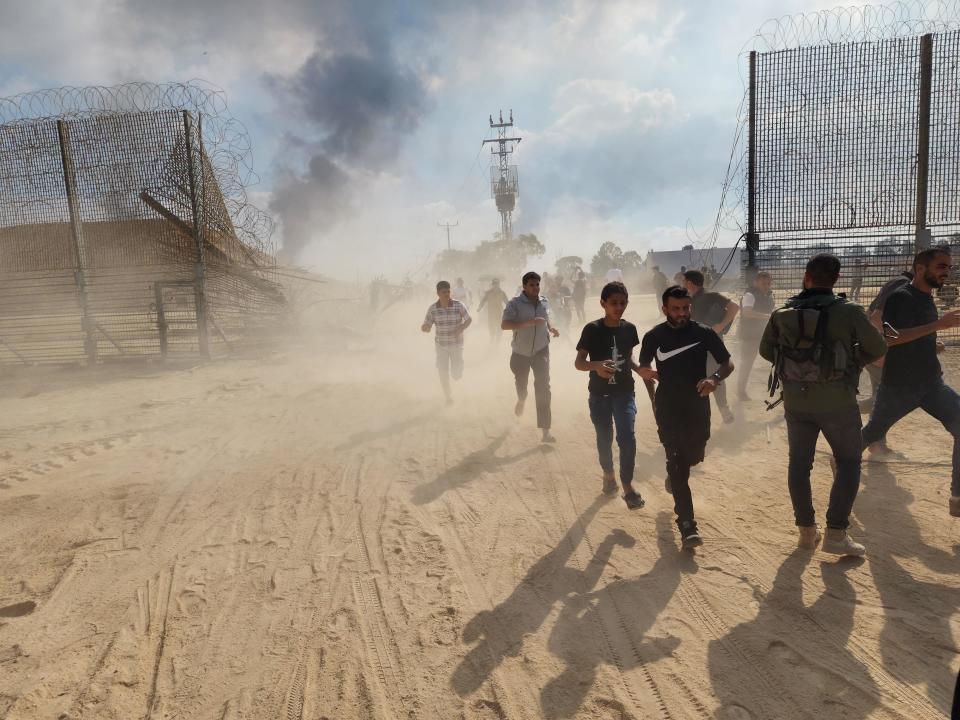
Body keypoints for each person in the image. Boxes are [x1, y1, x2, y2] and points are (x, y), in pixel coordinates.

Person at [759, 254, 886, 555]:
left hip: (795, 402)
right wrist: (850, 364)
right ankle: (836, 534)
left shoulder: (782, 312)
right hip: (837, 402)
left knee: (799, 465)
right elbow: (878, 348)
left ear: (807, 277)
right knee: (849, 462)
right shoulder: (850, 312)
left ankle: (806, 532)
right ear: (837, 279)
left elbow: (766, 351)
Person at [862, 247, 960, 517]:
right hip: (899, 386)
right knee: (871, 434)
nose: (946, 272)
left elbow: (913, 334)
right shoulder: (901, 297)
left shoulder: (927, 297)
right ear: (920, 269)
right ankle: (841, 459)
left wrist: (931, 342)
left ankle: (957, 497)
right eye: (941, 266)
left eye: (948, 267)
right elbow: (892, 337)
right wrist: (937, 327)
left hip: (931, 383)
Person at [637, 285, 734, 549]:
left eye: (686, 308)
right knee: (677, 462)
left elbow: (727, 363)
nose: (682, 313)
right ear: (665, 309)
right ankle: (687, 525)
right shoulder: (653, 336)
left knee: (693, 456)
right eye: (676, 309)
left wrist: (714, 379)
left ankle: (676, 474)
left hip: (698, 406)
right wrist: (653, 398)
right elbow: (645, 369)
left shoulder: (703, 333)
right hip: (668, 407)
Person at [575, 281, 644, 509]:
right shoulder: (592, 329)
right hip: (599, 396)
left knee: (627, 438)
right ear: (603, 303)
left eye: (623, 303)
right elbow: (579, 363)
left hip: (625, 392)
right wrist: (596, 366)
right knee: (604, 440)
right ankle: (608, 475)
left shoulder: (630, 329)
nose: (618, 307)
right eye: (613, 303)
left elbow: (629, 357)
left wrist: (639, 369)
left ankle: (627, 487)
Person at [502, 272, 560, 443]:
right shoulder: (514, 304)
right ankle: (521, 400)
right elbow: (504, 324)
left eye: (537, 284)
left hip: (541, 350)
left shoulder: (544, 301)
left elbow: (546, 318)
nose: (536, 288)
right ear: (524, 286)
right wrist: (527, 323)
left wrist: (551, 328)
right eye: (532, 285)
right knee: (522, 386)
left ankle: (545, 431)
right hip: (520, 352)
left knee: (543, 387)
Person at [683, 270, 739, 423]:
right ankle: (712, 412)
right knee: (710, 376)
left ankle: (723, 410)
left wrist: (721, 325)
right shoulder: (689, 299)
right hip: (696, 345)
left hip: (710, 345)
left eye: (684, 281)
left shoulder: (709, 296)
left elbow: (734, 307)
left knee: (716, 375)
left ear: (689, 283)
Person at [421, 280, 472, 404]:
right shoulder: (433, 309)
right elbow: (426, 324)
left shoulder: (459, 305)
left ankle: (457, 374)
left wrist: (460, 328)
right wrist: (425, 328)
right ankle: (448, 396)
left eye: (448, 291)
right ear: (438, 293)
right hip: (441, 346)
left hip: (457, 345)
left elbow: (468, 320)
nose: (447, 294)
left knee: (456, 374)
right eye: (444, 292)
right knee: (442, 372)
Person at [737, 271, 775, 400]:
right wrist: (769, 317)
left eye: (769, 283)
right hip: (750, 336)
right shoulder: (749, 295)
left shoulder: (769, 296)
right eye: (764, 283)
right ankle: (741, 391)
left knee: (777, 362)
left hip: (766, 335)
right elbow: (747, 313)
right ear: (755, 282)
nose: (767, 285)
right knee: (746, 364)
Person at [476, 279, 509, 344]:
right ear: (492, 285)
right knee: (491, 327)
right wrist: (479, 307)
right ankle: (492, 338)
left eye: (497, 284)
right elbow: (483, 300)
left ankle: (497, 341)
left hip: (499, 313)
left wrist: (510, 309)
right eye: (494, 284)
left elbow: (507, 302)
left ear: (499, 284)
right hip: (491, 313)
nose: (495, 285)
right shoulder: (488, 293)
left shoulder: (502, 293)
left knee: (499, 327)